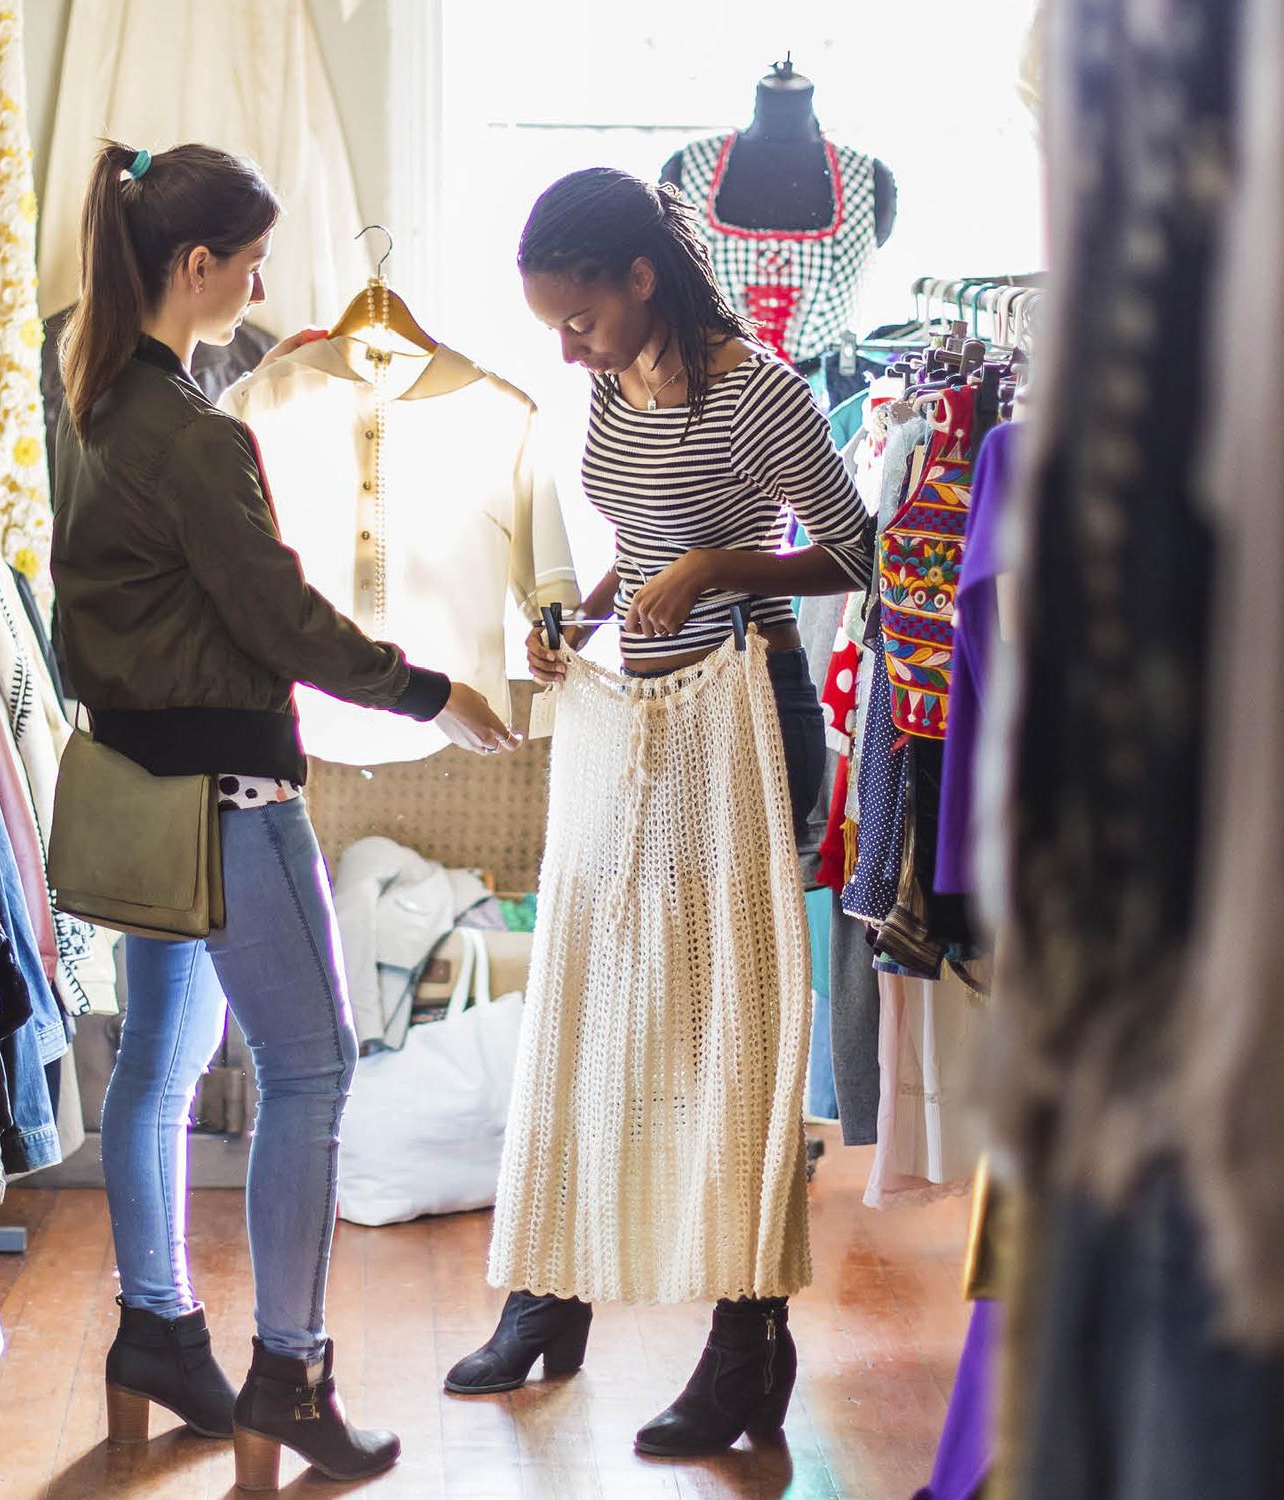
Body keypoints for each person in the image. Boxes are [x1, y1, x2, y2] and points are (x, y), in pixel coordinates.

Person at [49, 140, 518, 1490]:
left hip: (138, 789)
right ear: (195, 267)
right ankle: (289, 1378)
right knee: (310, 1075)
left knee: (153, 1069)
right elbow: (280, 619)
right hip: (230, 797)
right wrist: (431, 691)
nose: (263, 281)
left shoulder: (83, 393)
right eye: (250, 260)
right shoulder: (195, 435)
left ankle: (157, 1333)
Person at [445, 166, 875, 1456]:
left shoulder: (759, 393)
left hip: (749, 714)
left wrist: (719, 566)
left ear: (640, 277)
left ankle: (749, 1344)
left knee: (728, 1029)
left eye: (578, 319)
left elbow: (859, 548)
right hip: (633, 722)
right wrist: (579, 618)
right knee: (587, 1001)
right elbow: (637, 549)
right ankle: (551, 1291)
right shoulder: (605, 389)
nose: (568, 349)